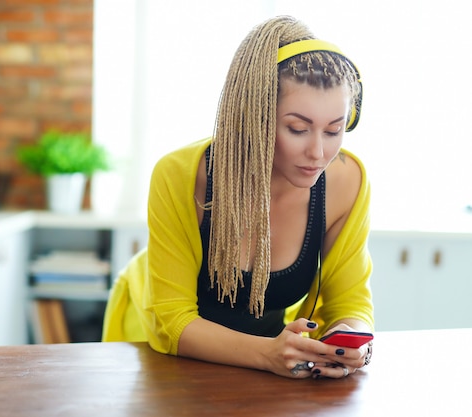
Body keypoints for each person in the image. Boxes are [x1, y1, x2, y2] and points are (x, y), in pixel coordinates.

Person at [102, 15, 374, 380]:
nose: (318, 152)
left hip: (266, 363)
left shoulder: (347, 181)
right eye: (298, 128)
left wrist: (351, 341)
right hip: (160, 355)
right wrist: (269, 354)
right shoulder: (182, 175)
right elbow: (171, 320)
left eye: (334, 130)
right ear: (255, 118)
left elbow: (349, 301)